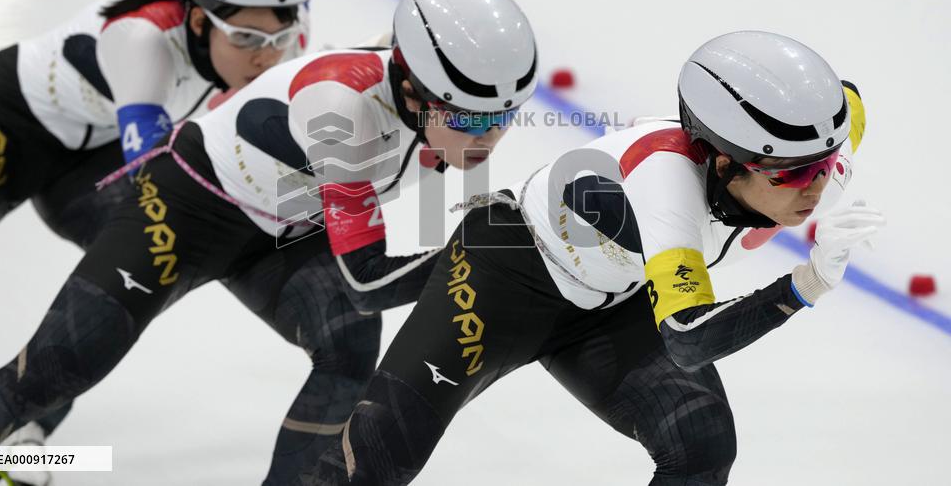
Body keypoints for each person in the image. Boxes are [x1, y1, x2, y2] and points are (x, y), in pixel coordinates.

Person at [0, 0, 540, 485]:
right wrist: (479, 249)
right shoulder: (340, 108)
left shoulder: (442, 112)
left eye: (505, 117)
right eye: (472, 121)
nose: (489, 139)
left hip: (283, 227)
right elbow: (368, 280)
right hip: (187, 208)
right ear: (412, 92)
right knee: (50, 374)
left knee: (347, 350)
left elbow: (405, 261)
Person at [292, 31, 885, 485]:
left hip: (614, 298)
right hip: (504, 273)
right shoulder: (667, 181)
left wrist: (819, 157)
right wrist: (806, 284)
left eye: (827, 166)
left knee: (700, 443)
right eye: (792, 174)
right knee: (376, 459)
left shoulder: (817, 147)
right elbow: (688, 339)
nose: (815, 186)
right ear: (725, 162)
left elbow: (846, 104)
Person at [0, 0, 315, 485]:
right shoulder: (141, 40)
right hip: (9, 123)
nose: (266, 57)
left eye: (278, 39)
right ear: (198, 19)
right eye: (245, 38)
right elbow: (154, 170)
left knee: (122, 285)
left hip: (93, 156)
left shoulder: (281, 30)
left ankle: (21, 442)